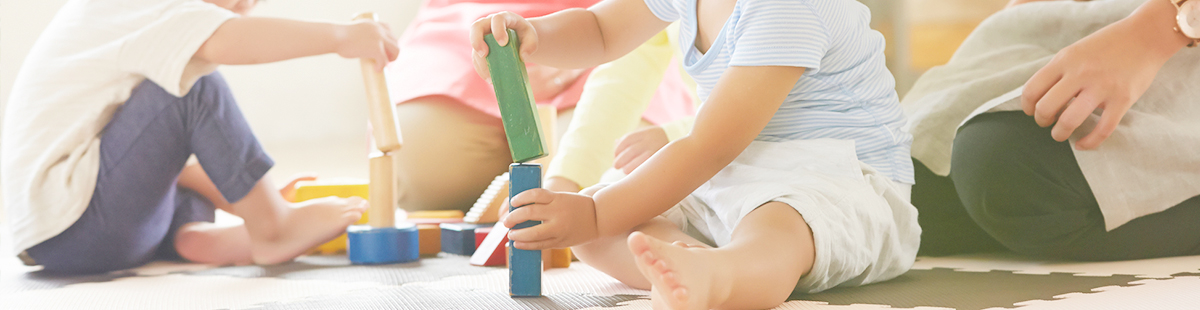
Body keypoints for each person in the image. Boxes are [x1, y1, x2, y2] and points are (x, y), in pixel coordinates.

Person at [472, 0, 920, 308]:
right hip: (737, 168)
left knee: (776, 225)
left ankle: (723, 275)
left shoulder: (789, 7)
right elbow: (602, 29)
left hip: (841, 176)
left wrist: (593, 212)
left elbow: (709, 146)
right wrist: (536, 36)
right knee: (599, 226)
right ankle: (685, 259)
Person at [1, 0, 399, 274]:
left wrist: (251, 195)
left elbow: (154, 160)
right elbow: (223, 40)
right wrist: (340, 37)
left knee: (184, 147)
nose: (244, 10)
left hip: (62, 238)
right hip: (82, 223)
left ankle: (194, 237)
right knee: (191, 88)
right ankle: (273, 228)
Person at [908, 0, 1200, 260]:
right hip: (1073, 19)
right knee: (905, 191)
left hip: (1173, 34)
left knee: (1006, 166)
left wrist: (1153, 33)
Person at [382, 0, 694, 212]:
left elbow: (617, 47)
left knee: (621, 190)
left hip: (606, 30)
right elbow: (609, 43)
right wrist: (564, 182)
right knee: (423, 168)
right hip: (483, 27)